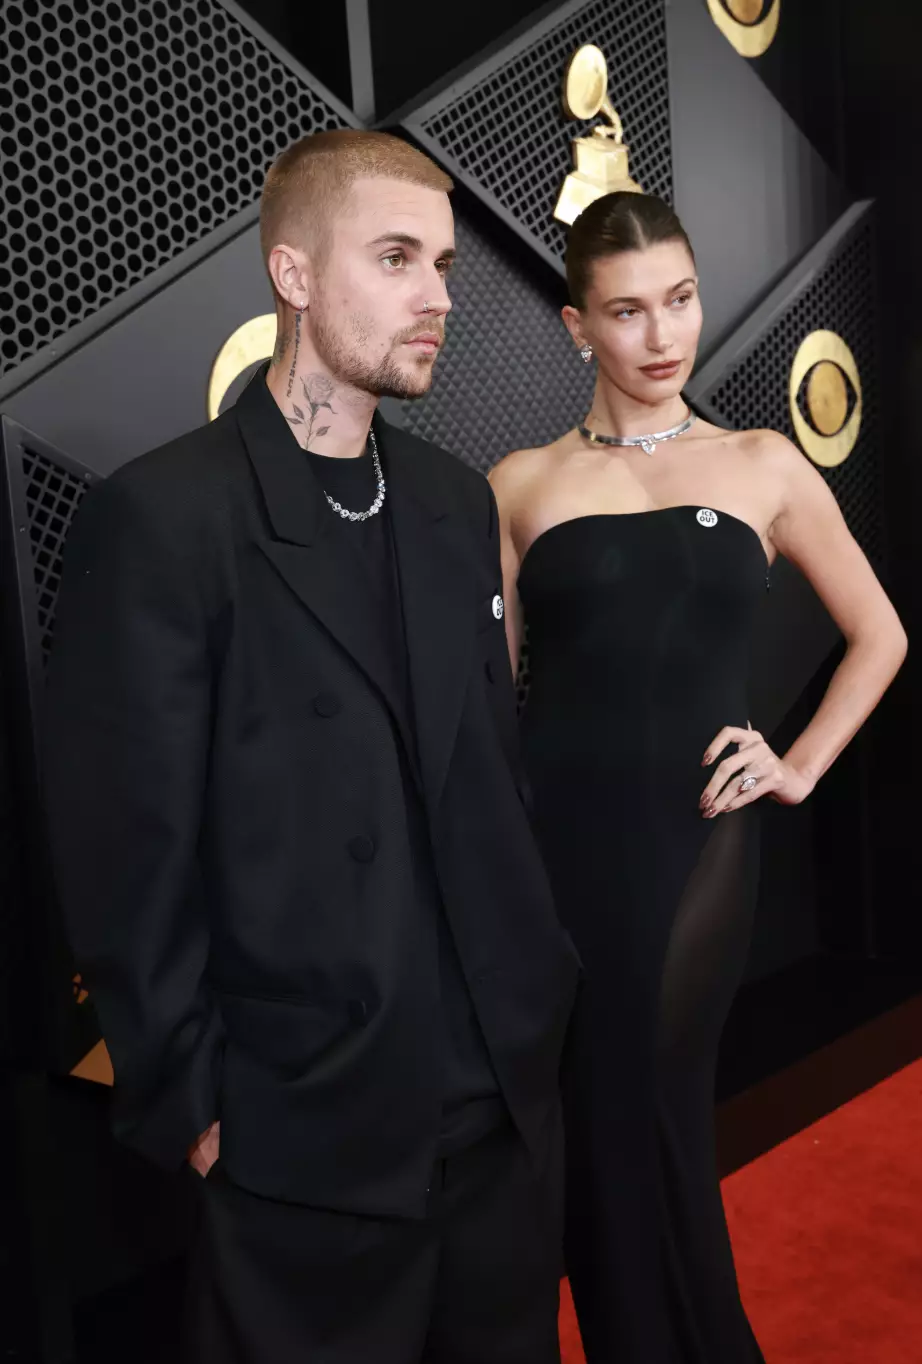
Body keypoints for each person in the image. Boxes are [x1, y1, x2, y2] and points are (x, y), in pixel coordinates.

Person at [42, 130, 580, 1364]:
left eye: (441, 261)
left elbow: (484, 773)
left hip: (499, 1101)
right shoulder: (166, 517)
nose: (439, 293)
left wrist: (536, 993)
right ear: (292, 274)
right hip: (301, 1122)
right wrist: (194, 1101)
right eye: (395, 258)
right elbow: (128, 846)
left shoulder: (452, 499)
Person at [489, 190, 907, 1362]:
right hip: (554, 853)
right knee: (595, 1144)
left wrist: (799, 760)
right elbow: (487, 698)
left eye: (678, 298)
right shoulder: (517, 484)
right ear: (578, 325)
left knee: (649, 1119)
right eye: (627, 311)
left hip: (696, 846)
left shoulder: (763, 461)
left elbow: (880, 632)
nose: (662, 333)